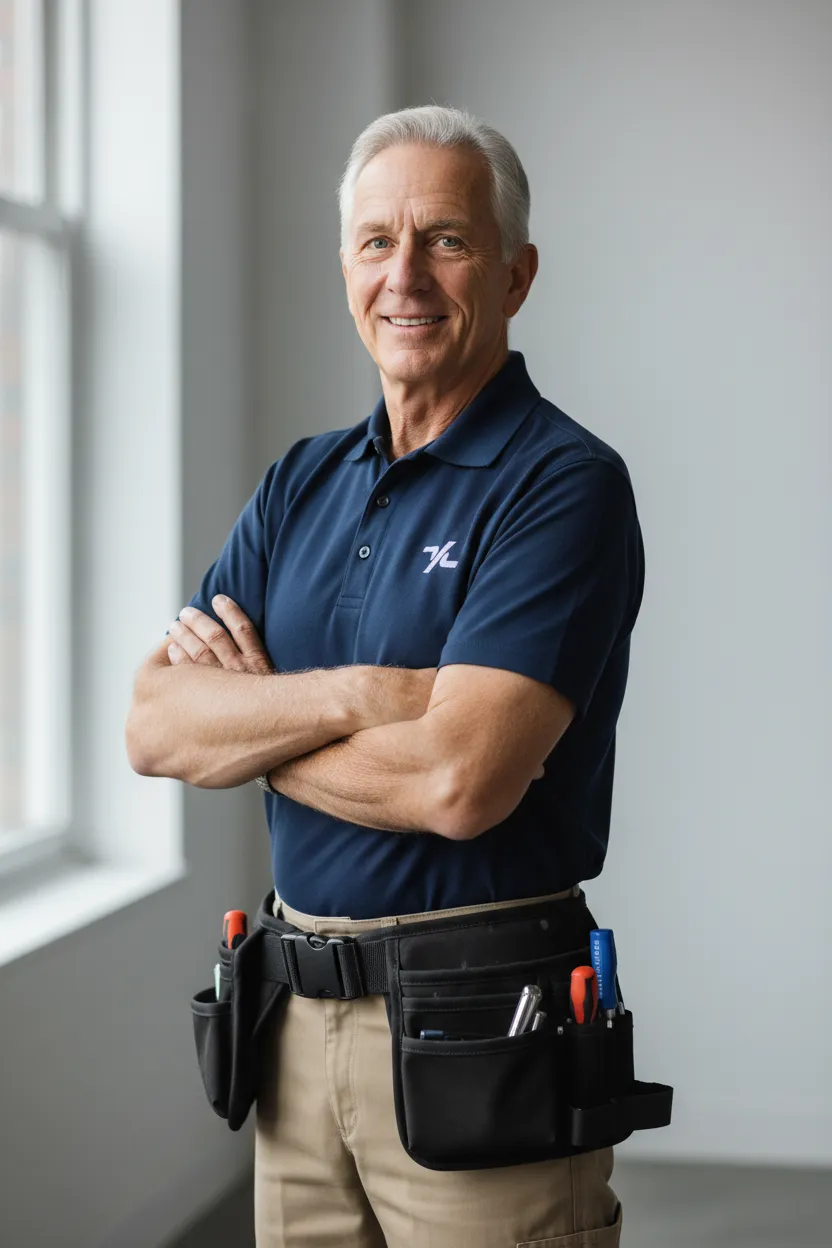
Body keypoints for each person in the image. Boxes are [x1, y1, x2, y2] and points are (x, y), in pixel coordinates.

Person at [126, 104, 644, 1247]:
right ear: (346, 266)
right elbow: (158, 726)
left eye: (445, 239)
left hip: (481, 1029)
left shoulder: (564, 485)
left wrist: (254, 721)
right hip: (289, 1039)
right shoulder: (299, 483)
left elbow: (460, 784)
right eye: (374, 241)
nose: (403, 274)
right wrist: (365, 695)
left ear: (515, 274)